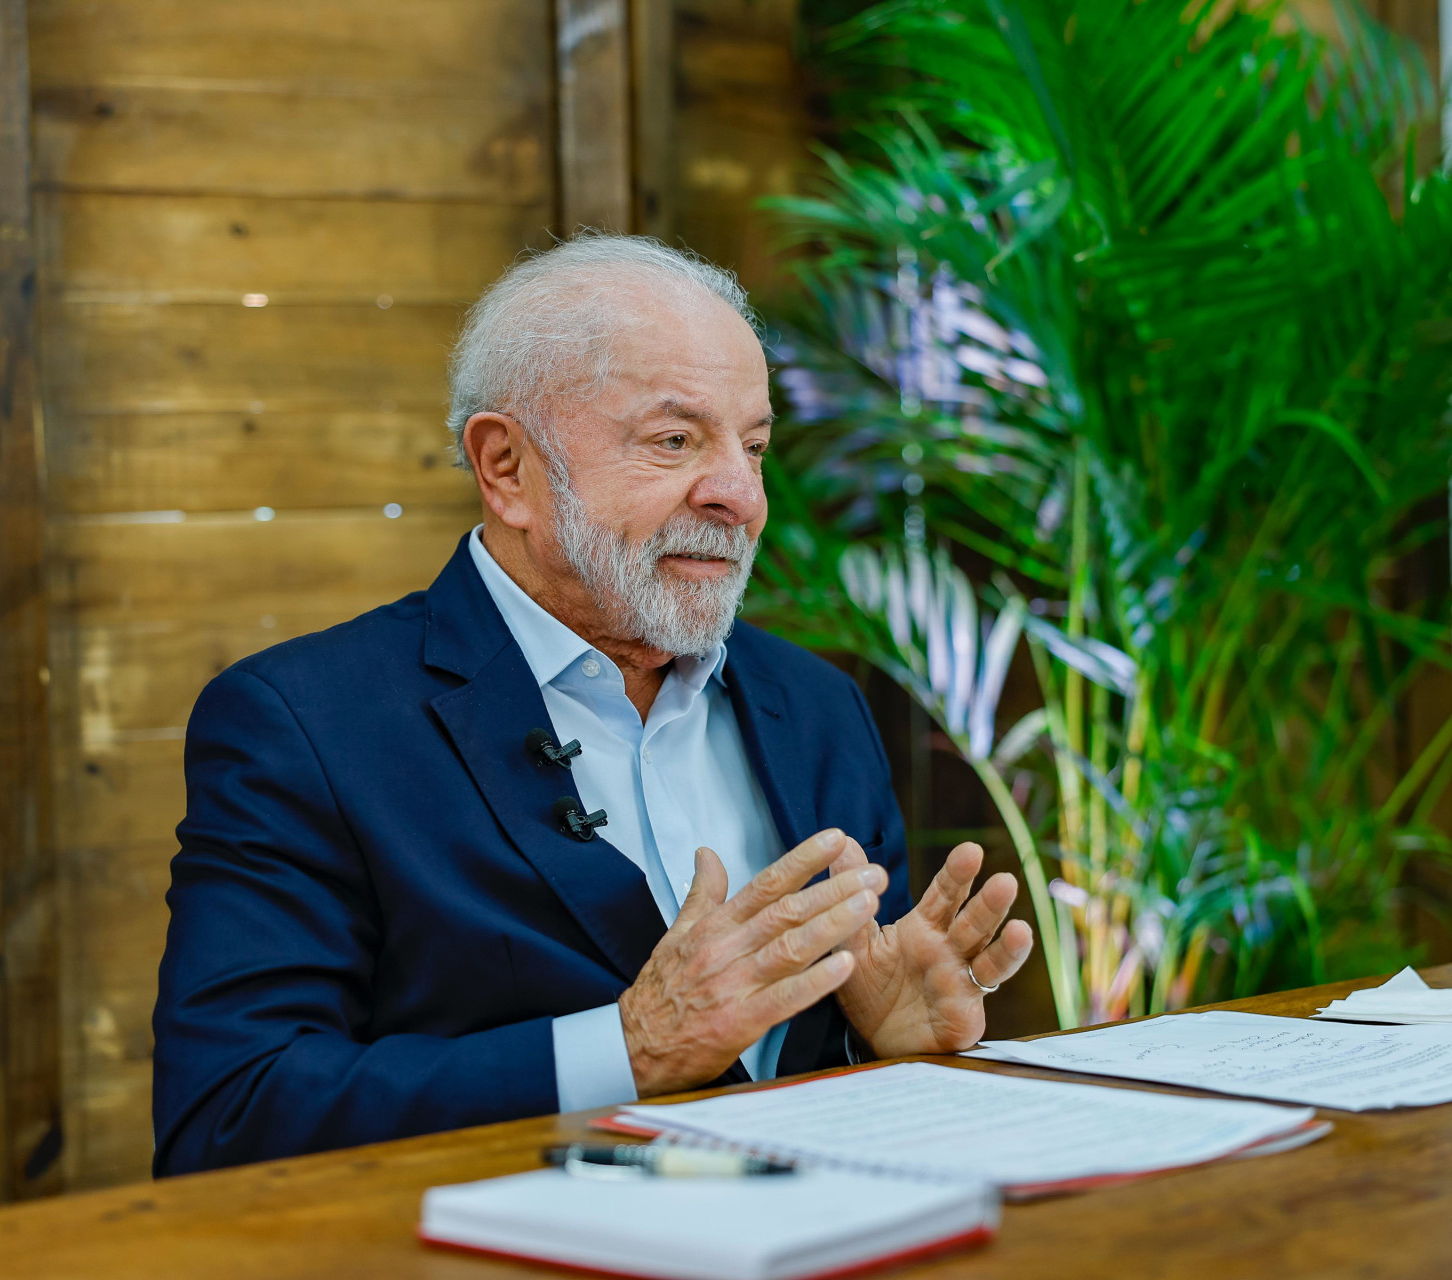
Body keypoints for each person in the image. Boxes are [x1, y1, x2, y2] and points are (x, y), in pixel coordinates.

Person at [151, 234, 1034, 1176]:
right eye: (674, 440)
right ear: (507, 469)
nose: (741, 493)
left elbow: (838, 1074)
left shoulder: (817, 708)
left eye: (756, 445)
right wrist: (630, 1047)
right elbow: (227, 1119)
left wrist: (879, 1046)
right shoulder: (304, 724)